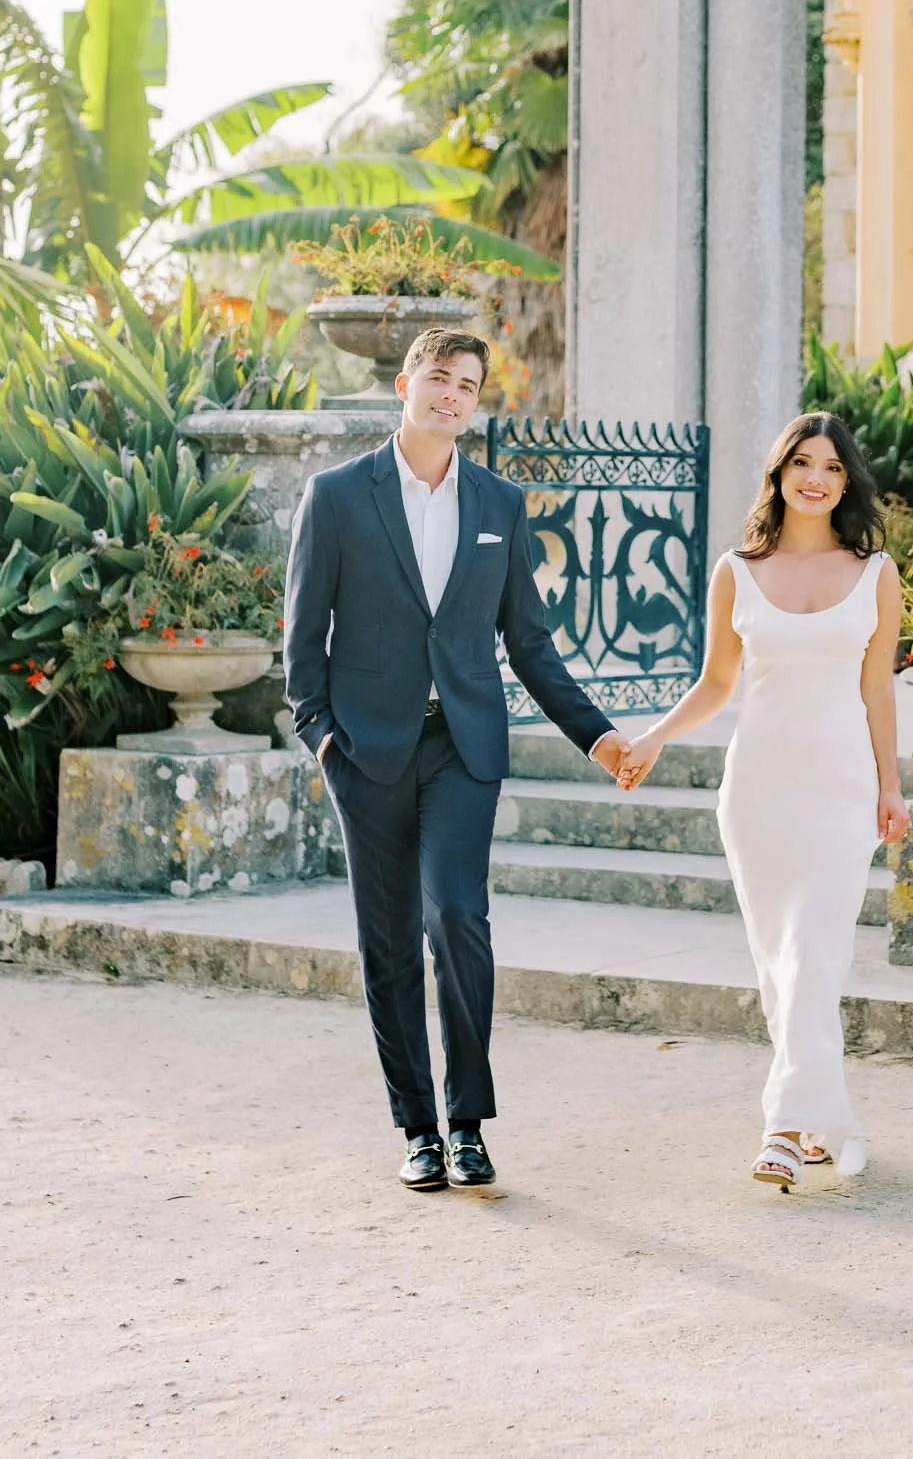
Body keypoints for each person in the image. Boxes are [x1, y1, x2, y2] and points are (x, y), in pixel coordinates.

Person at [284, 327, 628, 1192]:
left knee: (455, 920)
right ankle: (417, 1129)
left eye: (468, 385)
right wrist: (321, 735)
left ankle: (468, 1121)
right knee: (388, 943)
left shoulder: (498, 505)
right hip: (365, 751)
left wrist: (598, 735)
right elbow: (300, 641)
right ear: (404, 383)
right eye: (439, 377)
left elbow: (530, 643)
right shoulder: (334, 496)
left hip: (462, 748)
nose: (451, 395)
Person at [617, 411, 909, 1188]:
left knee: (815, 951)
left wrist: (890, 784)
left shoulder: (874, 573)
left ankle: (782, 1126)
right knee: (779, 961)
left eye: (832, 468)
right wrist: (653, 738)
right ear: (778, 474)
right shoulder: (736, 571)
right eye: (802, 464)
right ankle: (815, 1121)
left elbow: (876, 687)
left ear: (847, 482)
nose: (816, 478)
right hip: (758, 790)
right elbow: (717, 685)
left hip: (841, 787)